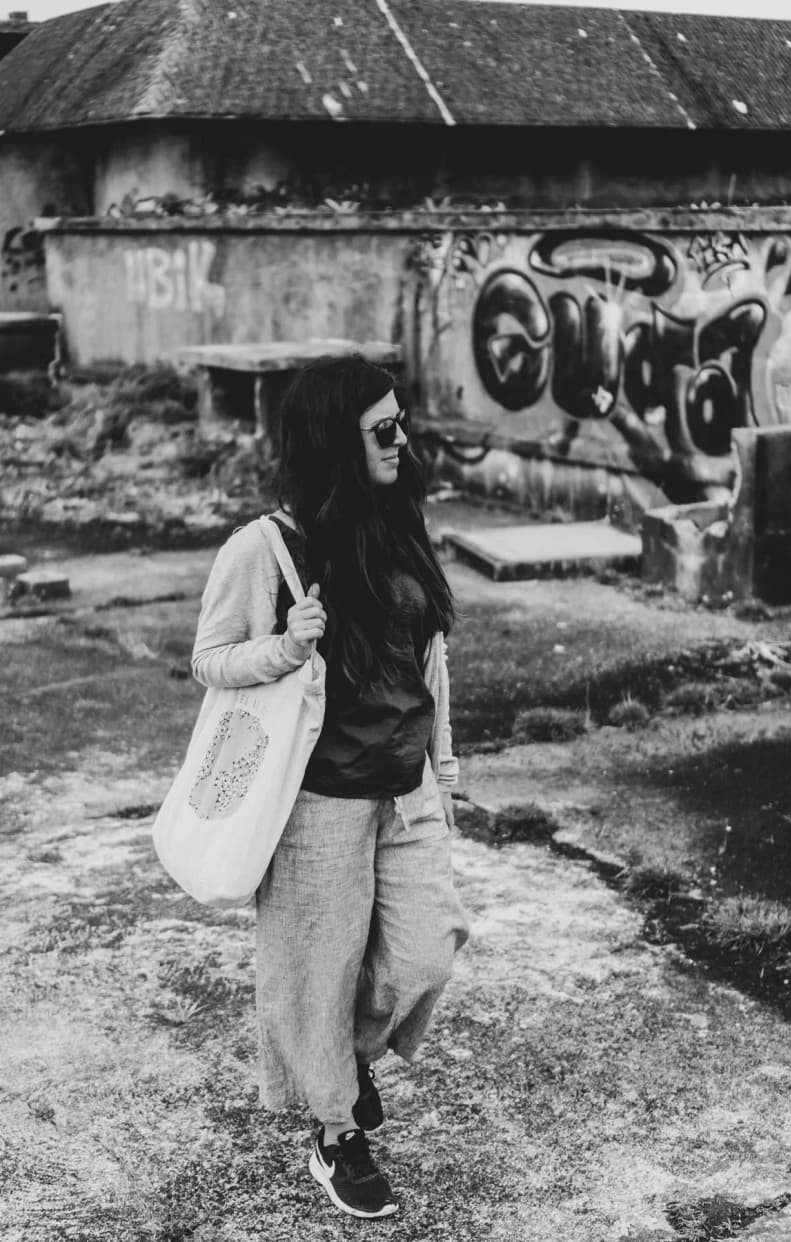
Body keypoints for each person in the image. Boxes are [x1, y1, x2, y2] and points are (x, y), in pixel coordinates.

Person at [191, 353, 469, 1219]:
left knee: (426, 953)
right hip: (319, 802)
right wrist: (285, 646)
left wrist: (444, 771)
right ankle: (336, 1133)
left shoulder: (398, 523)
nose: (401, 440)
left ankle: (336, 1064)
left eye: (401, 423)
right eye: (382, 429)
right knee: (321, 971)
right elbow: (209, 658)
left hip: (406, 789)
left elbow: (429, 662)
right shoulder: (264, 549)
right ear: (332, 442)